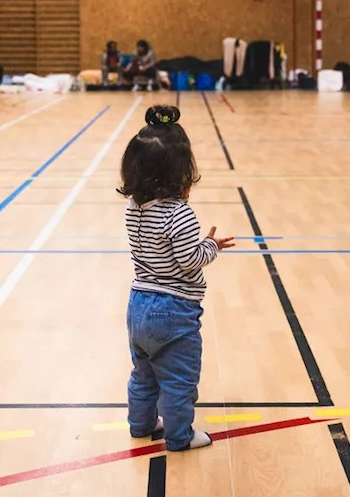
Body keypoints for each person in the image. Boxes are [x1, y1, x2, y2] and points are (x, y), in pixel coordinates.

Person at [119, 105, 234, 452]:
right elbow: (189, 261)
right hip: (174, 312)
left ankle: (140, 426)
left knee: (143, 375)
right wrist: (211, 246)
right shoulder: (180, 214)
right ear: (182, 172)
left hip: (138, 305)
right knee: (178, 381)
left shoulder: (134, 208)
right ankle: (179, 437)